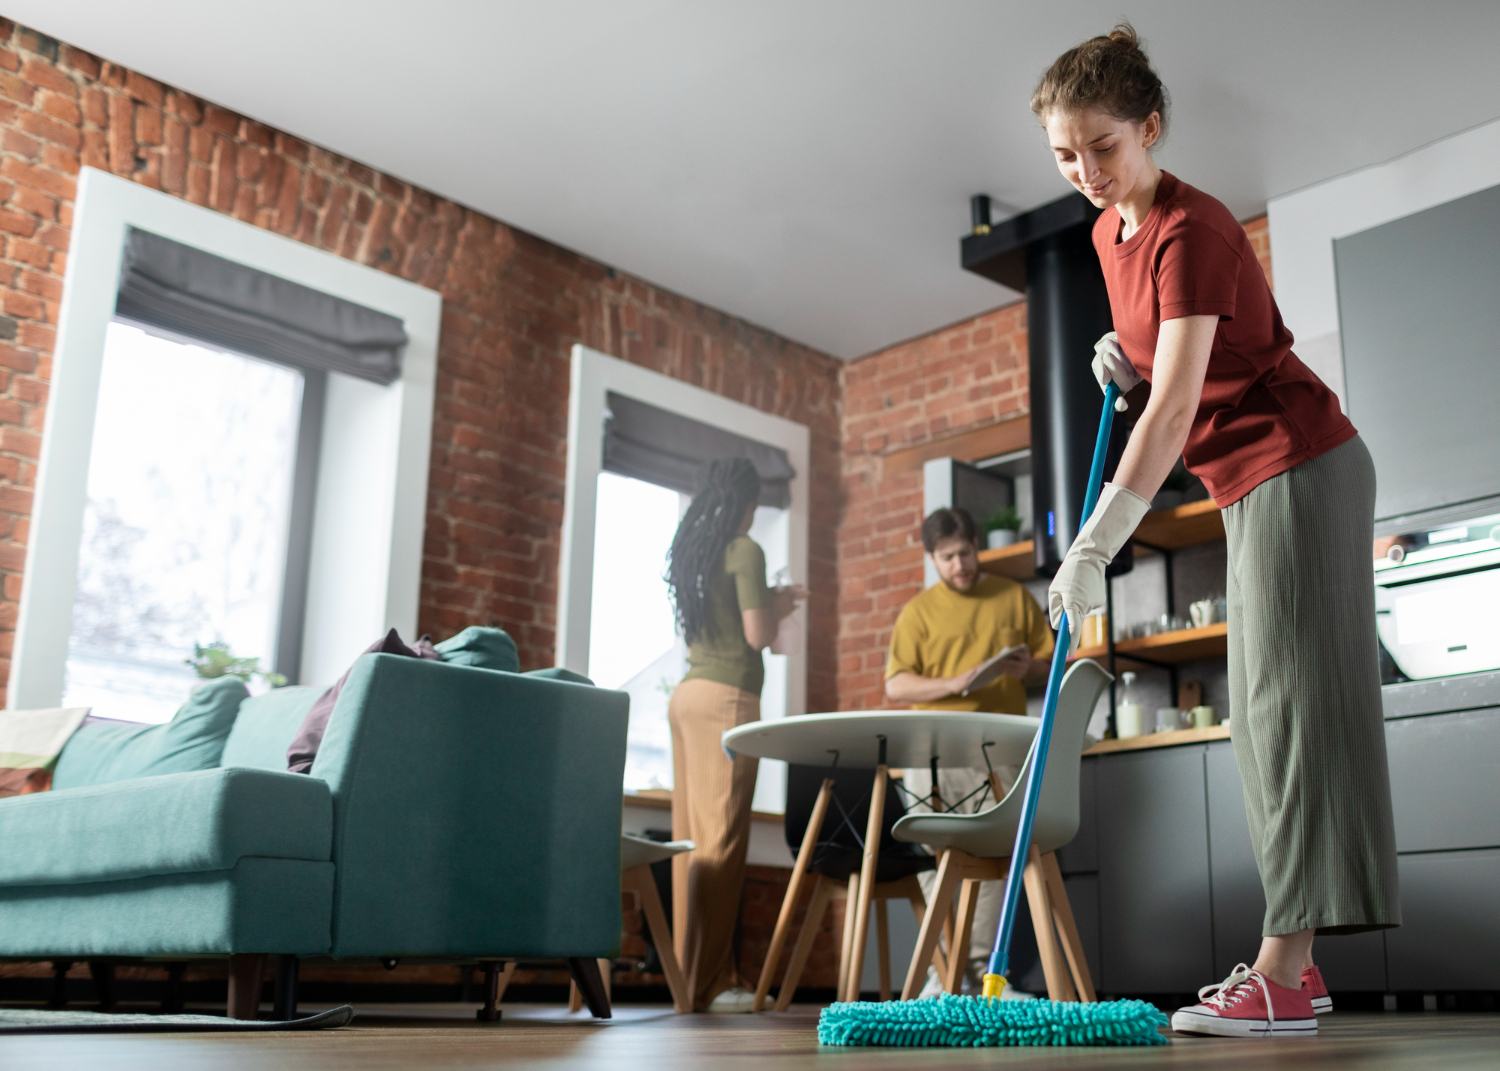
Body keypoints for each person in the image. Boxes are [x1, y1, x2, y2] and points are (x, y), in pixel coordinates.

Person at [1032, 26, 1399, 1037]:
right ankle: (1301, 972)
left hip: (1301, 462)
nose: (1085, 171)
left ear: (1149, 127)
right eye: (1065, 155)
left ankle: (1283, 974)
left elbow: (1176, 407)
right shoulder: (1111, 236)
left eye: (1102, 146)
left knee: (1287, 713)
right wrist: (1125, 348)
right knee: (1267, 716)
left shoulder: (1193, 229)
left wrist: (1096, 540)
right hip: (1248, 481)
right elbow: (1166, 361)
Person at [885, 506, 1053, 996]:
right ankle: (944, 973)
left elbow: (1049, 659)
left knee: (997, 858)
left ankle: (985, 976)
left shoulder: (1012, 597)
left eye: (966, 552)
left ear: (977, 544)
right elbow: (896, 684)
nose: (960, 564)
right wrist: (953, 682)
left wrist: (1030, 671)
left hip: (1000, 749)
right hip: (931, 752)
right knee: (936, 859)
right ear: (932, 559)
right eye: (948, 557)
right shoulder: (917, 613)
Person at [664, 457, 802, 1013]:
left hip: (688, 696)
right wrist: (781, 604)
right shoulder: (746, 548)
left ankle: (687, 981)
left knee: (690, 844)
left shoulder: (694, 552)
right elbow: (759, 633)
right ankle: (711, 984)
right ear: (748, 501)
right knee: (721, 844)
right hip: (729, 699)